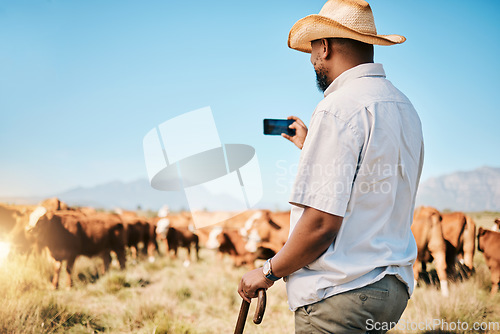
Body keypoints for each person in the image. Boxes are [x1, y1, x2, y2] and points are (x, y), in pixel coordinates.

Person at [238, 0, 423, 333]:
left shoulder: (336, 108)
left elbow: (322, 221)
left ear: (324, 46)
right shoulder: (404, 107)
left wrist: (267, 272)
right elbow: (370, 184)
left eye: (311, 51)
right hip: (390, 290)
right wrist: (312, 146)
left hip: (341, 293)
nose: (311, 60)